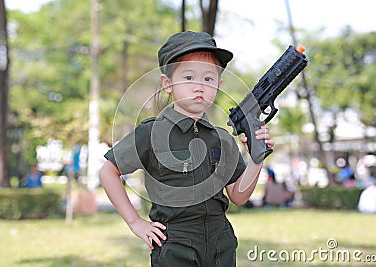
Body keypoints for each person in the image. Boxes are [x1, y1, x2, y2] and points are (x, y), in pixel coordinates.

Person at [99, 31, 274, 267]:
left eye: (209, 79)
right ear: (168, 84)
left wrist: (256, 159)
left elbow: (238, 195)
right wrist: (134, 222)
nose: (199, 87)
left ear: (218, 86)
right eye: (189, 77)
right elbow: (108, 172)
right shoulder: (151, 133)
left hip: (220, 242)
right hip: (175, 245)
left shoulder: (222, 139)